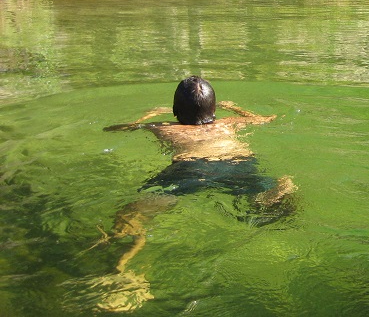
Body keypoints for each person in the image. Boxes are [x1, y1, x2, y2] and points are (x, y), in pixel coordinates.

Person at [84, 76, 295, 312]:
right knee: (276, 185)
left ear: (175, 111)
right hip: (238, 164)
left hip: (191, 169)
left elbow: (116, 128)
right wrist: (234, 107)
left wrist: (148, 115)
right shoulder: (229, 123)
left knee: (133, 213)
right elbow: (267, 119)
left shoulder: (164, 127)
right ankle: (277, 197)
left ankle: (123, 265)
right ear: (214, 110)